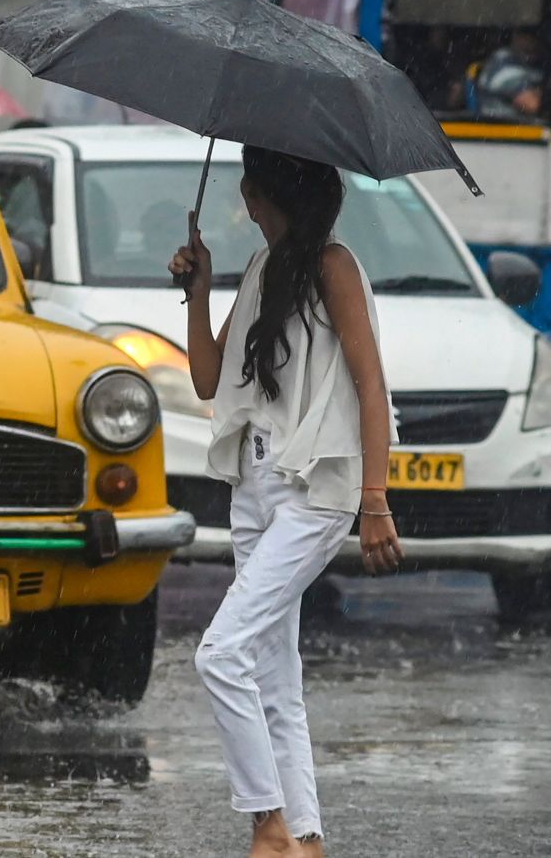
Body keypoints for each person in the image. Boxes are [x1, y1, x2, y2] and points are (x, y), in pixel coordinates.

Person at [169, 145, 402, 857]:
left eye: (252, 190)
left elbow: (371, 387)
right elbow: (210, 382)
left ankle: (268, 824)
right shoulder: (267, 270)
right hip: (256, 487)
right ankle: (305, 837)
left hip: (317, 491)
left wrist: (374, 498)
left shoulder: (334, 268)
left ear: (267, 196)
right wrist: (201, 291)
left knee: (221, 655)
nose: (245, 203)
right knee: (274, 677)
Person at [476, 28, 544, 120]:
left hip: (525, 128)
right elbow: (532, 104)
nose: (532, 41)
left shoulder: (534, 63)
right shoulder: (502, 63)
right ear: (514, 36)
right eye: (526, 35)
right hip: (498, 129)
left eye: (537, 36)